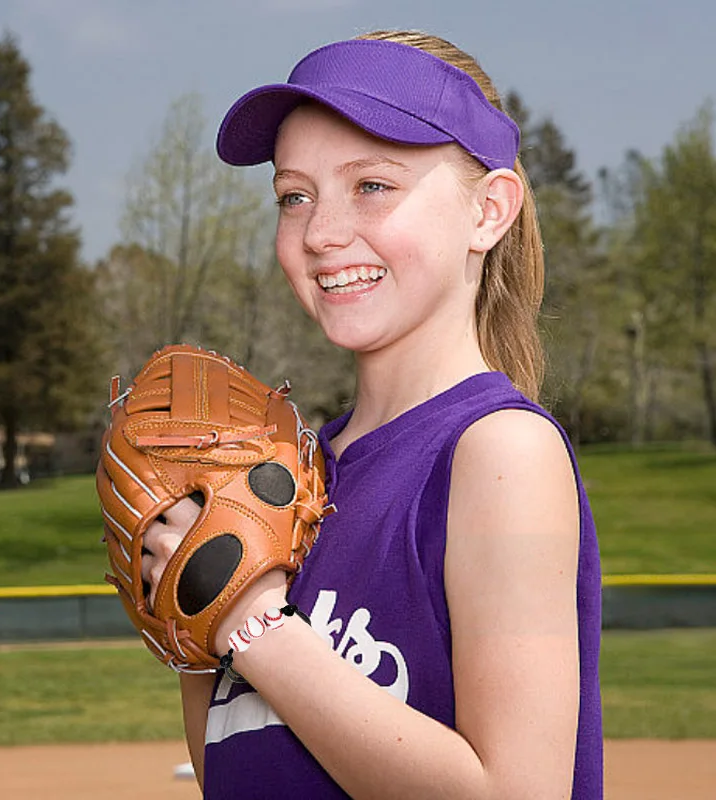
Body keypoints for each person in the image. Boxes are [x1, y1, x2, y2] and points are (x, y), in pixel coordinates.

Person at [142, 29, 603, 800]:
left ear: (488, 212)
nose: (320, 233)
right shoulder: (278, 486)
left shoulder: (500, 454)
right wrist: (192, 625)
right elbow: (237, 777)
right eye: (295, 195)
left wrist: (252, 627)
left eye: (372, 186)